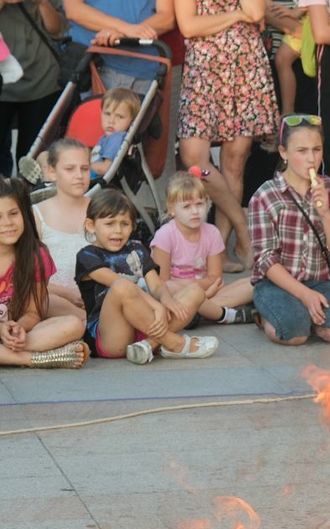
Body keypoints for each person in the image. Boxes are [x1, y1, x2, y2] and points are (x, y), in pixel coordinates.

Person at [176, 0, 279, 275]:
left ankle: (217, 251)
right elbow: (189, 26)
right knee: (194, 157)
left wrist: (231, 16)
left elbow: (256, 12)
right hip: (204, 67)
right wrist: (235, 14)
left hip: (244, 65)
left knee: (234, 162)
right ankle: (244, 233)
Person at [76, 189, 219, 363]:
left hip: (144, 324)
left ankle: (147, 345)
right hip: (111, 337)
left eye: (124, 224)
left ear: (133, 226)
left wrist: (166, 301)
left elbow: (157, 285)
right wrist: (155, 306)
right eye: (110, 224)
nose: (118, 230)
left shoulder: (137, 249)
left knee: (196, 291)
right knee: (122, 286)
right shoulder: (87, 256)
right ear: (91, 225)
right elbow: (120, 284)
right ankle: (173, 343)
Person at [247, 115, 330, 345]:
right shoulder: (265, 195)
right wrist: (304, 295)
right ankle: (265, 314)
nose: (311, 159)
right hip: (278, 282)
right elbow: (265, 260)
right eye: (302, 151)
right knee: (294, 334)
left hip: (319, 279)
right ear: (284, 153)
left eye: (316, 150)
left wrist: (325, 213)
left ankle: (307, 315)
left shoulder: (329, 188)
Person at [0, 177, 88, 369]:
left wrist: (19, 329)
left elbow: (33, 312)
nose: (7, 223)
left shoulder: (36, 255)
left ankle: (10, 353)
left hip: (17, 333)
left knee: (74, 325)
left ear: (24, 214)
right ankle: (30, 359)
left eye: (13, 213)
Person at [150, 172, 255, 326]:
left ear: (207, 203)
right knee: (168, 287)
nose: (195, 211)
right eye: (186, 206)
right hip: (177, 294)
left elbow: (215, 278)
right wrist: (199, 292)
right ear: (171, 209)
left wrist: (203, 294)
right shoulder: (164, 236)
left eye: (199, 204)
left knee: (255, 282)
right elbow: (161, 284)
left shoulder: (212, 233)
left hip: (210, 292)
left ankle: (199, 312)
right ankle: (217, 312)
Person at [0, 0, 66, 178]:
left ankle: (27, 201)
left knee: (33, 157)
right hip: (3, 81)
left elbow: (57, 28)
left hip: (41, 79)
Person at [31, 139, 91, 319]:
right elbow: (25, 273)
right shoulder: (37, 214)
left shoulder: (101, 210)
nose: (79, 175)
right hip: (54, 300)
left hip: (98, 297)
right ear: (51, 171)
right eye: (70, 169)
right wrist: (68, 295)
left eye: (85, 169)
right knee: (42, 299)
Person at [64, 0, 175, 92]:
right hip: (88, 67)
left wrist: (124, 34)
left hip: (139, 70)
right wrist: (125, 29)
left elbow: (167, 18)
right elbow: (73, 10)